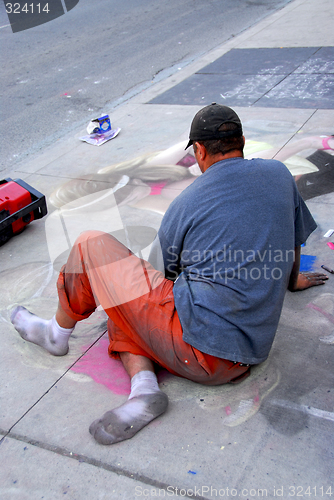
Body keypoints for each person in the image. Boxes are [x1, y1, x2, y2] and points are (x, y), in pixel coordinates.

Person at [10, 104, 328, 446]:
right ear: (243, 142)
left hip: (199, 352)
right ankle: (143, 390)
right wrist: (293, 280)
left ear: (200, 151)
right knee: (126, 300)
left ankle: (57, 334)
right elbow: (295, 236)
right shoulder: (279, 174)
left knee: (97, 254)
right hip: (247, 355)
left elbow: (161, 274)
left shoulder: (189, 201)